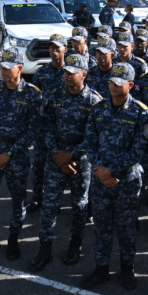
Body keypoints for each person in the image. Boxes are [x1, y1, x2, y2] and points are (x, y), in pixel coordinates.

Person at [79, 63, 148, 290]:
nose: (113, 87)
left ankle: (127, 268)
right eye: (111, 82)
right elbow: (90, 142)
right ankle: (101, 267)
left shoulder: (141, 112)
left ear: (130, 85)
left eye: (119, 83)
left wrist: (113, 170)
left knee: (126, 227)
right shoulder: (98, 109)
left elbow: (139, 150)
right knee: (101, 226)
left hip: (127, 181)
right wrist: (101, 169)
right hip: (101, 180)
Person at [29, 53, 103, 272]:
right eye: (66, 73)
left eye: (73, 73)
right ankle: (45, 247)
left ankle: (75, 243)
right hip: (56, 157)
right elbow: (47, 127)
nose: (68, 77)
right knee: (49, 205)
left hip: (81, 162)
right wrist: (57, 154)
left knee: (80, 205)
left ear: (84, 74)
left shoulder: (94, 101)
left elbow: (94, 136)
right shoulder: (54, 96)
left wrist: (71, 155)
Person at [0, 48, 42, 260]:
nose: (3, 71)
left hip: (17, 155)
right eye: (1, 67)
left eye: (7, 68)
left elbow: (34, 130)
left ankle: (13, 238)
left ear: (19, 68)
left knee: (17, 200)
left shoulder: (32, 94)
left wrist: (9, 153)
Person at [28, 34, 69, 212]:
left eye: (57, 48)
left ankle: (59, 199)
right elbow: (35, 98)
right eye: (51, 48)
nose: (54, 51)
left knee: (60, 164)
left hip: (64, 128)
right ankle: (37, 196)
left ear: (65, 50)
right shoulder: (42, 73)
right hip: (43, 127)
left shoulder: (71, 72)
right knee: (39, 163)